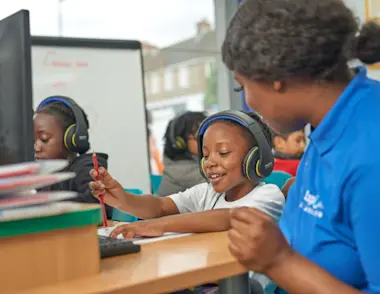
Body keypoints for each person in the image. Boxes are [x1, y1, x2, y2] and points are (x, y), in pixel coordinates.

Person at [222, 0, 380, 293]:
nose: (248, 103)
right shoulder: (326, 129)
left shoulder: (370, 151)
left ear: (274, 76)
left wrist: (279, 261)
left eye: (241, 86)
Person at [89, 110, 284, 239]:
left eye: (223, 153)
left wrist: (160, 225)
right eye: (205, 155)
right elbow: (160, 207)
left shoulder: (269, 195)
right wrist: (123, 199)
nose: (210, 162)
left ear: (256, 157)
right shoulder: (207, 193)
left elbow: (230, 217)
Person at [34, 96, 112, 218]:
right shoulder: (42, 176)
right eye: (33, 140)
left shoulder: (87, 167)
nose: (36, 147)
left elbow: (96, 205)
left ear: (72, 138)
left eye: (44, 139)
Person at [157, 111, 207, 196]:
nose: (206, 140)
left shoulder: (197, 161)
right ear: (181, 143)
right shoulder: (180, 170)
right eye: (199, 137)